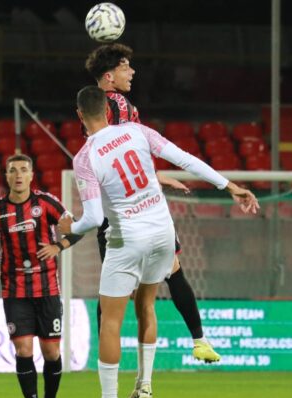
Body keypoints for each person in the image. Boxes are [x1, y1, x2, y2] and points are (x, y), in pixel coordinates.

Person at [58, 86, 258, 398]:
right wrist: (229, 186)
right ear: (109, 110)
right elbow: (185, 159)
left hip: (128, 239)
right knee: (147, 305)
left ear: (79, 115)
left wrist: (68, 226)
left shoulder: (85, 158)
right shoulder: (136, 131)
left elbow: (91, 219)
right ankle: (145, 383)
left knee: (110, 319)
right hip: (163, 232)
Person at [85, 43, 221, 364]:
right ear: (109, 75)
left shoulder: (109, 106)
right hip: (129, 209)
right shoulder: (113, 106)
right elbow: (118, 156)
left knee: (120, 286)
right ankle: (198, 340)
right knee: (166, 274)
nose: (132, 72)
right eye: (125, 66)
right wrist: (155, 179)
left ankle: (105, 362)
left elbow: (124, 157)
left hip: (123, 206)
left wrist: (155, 177)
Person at [0, 154, 83, 398]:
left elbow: (78, 228)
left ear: (32, 175)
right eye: (13, 170)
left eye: (23, 170)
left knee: (52, 353)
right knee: (23, 351)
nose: (18, 175)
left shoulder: (45, 203)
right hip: (14, 291)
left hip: (47, 290)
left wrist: (58, 246)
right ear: (7, 176)